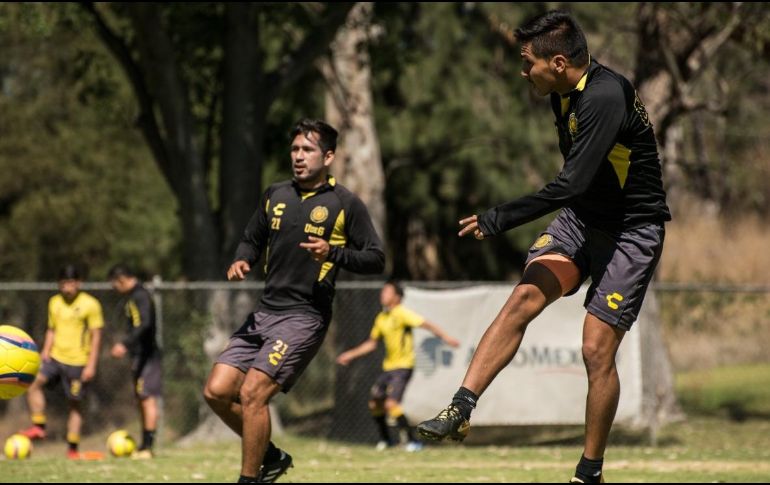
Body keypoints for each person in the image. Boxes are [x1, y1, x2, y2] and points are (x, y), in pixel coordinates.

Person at [416, 10, 671, 484]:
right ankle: (460, 407)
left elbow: (570, 183)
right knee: (523, 297)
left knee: (596, 351)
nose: (521, 70)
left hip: (632, 231)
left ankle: (588, 471)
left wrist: (500, 218)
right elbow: (581, 190)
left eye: (526, 61)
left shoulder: (604, 96)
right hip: (583, 220)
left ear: (557, 63)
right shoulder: (563, 95)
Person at [203, 118, 385, 483]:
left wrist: (334, 253)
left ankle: (249, 478)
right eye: (295, 149)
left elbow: (376, 258)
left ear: (329, 156)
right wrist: (242, 259)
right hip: (265, 312)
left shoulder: (345, 203)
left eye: (308, 150)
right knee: (217, 391)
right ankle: (269, 455)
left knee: (254, 393)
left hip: (304, 316)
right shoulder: (275, 195)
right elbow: (252, 239)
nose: (299, 157)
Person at [336, 280, 459, 452]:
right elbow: (372, 344)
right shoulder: (381, 318)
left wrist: (446, 338)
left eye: (387, 292)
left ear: (397, 297)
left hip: (403, 366)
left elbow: (427, 324)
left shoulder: (402, 314)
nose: (382, 295)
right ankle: (387, 440)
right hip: (389, 368)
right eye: (383, 292)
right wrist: (350, 354)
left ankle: (413, 441)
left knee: (391, 404)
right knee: (375, 403)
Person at [20, 264, 104, 459]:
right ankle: (39, 426)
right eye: (63, 283)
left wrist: (91, 364)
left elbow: (96, 336)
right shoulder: (54, 302)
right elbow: (51, 329)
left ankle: (72, 449)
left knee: (75, 404)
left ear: (79, 283)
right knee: (32, 382)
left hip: (78, 362)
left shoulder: (91, 304)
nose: (67, 288)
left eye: (71, 283)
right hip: (55, 357)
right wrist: (45, 351)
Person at [108, 264, 162, 459]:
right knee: (141, 398)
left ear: (121, 279)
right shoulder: (132, 297)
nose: (114, 288)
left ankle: (147, 447)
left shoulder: (140, 296)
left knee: (147, 398)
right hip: (139, 355)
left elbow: (145, 324)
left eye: (114, 283)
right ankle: (143, 445)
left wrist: (125, 344)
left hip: (148, 355)